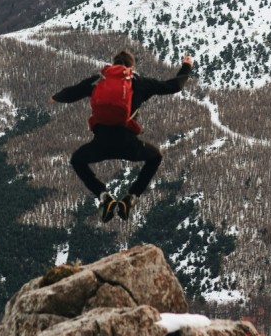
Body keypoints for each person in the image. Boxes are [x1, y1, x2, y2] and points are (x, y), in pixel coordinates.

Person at [51, 50, 194, 221]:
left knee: (77, 160)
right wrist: (186, 66)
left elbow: (73, 92)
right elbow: (174, 87)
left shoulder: (98, 81)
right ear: (132, 66)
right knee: (155, 157)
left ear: (113, 64)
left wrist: (55, 97)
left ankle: (103, 196)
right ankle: (131, 197)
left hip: (100, 144)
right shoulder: (139, 83)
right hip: (128, 144)